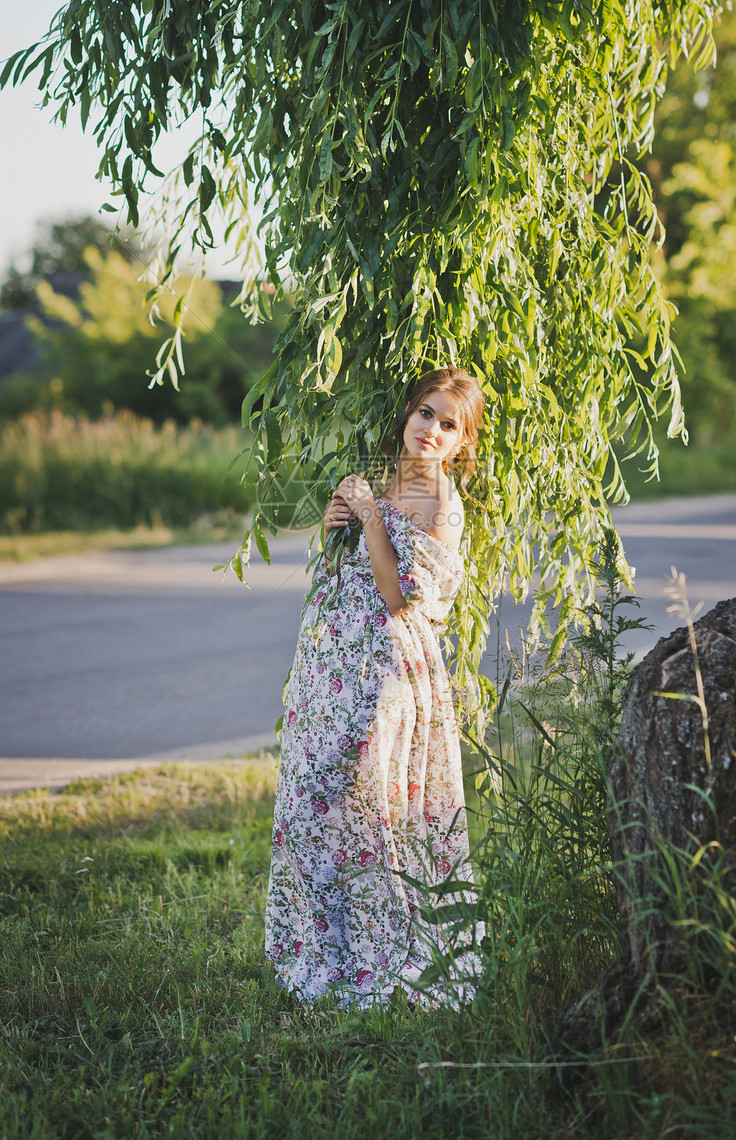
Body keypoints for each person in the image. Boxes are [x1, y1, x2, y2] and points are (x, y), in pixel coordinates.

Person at [264, 366, 486, 1008]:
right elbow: (349, 563)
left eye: (449, 425)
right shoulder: (385, 480)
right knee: (316, 798)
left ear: (461, 442)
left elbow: (396, 597)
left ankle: (381, 954)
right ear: (407, 414)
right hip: (333, 660)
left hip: (387, 666)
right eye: (426, 414)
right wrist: (341, 516)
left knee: (367, 800)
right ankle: (323, 951)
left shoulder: (442, 505)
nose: (432, 431)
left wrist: (367, 518)